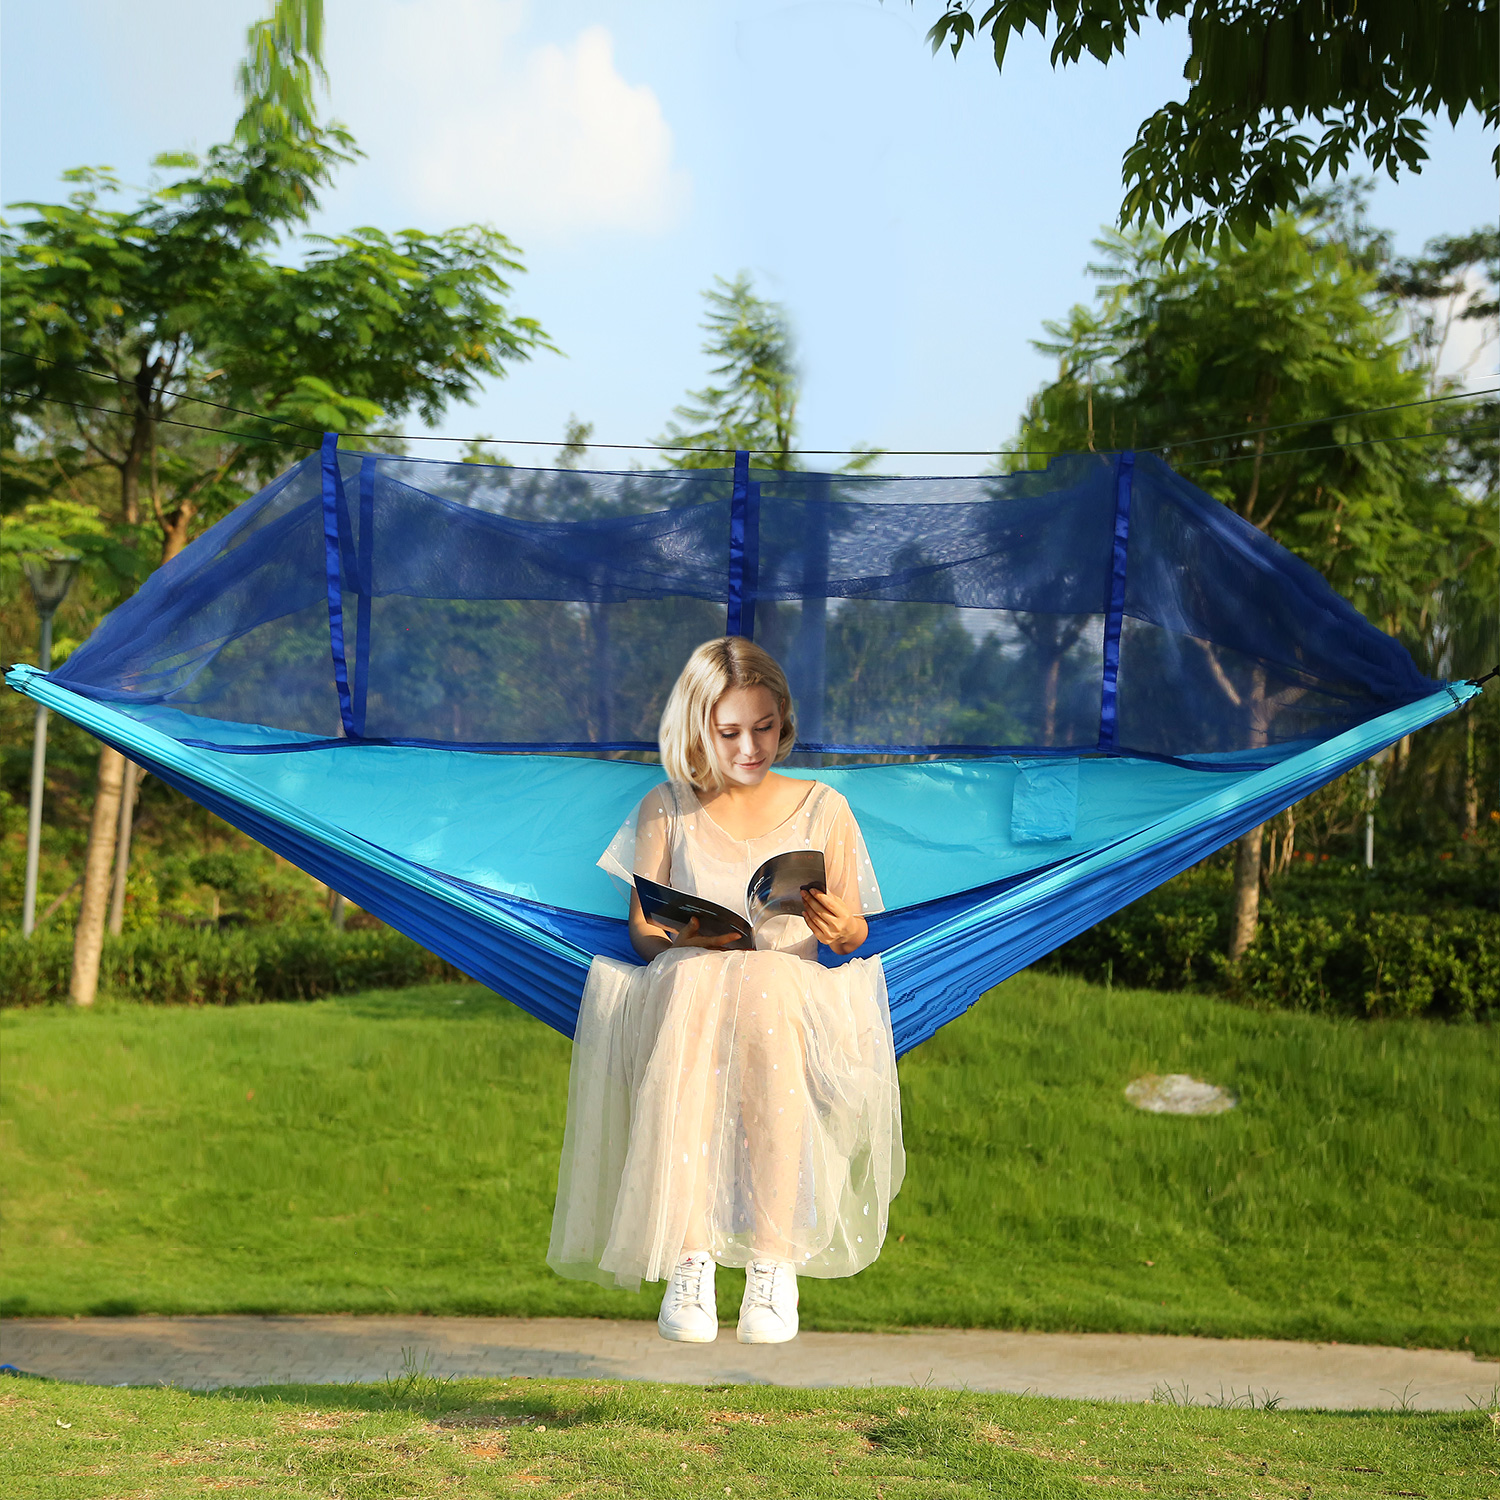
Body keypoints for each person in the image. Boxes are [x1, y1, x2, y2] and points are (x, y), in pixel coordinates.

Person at [548, 637, 904, 1344]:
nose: (749, 747)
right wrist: (680, 942)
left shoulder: (824, 808)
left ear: (784, 722)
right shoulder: (666, 807)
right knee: (694, 979)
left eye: (764, 727)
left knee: (765, 980)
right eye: (729, 731)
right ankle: (691, 1259)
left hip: (791, 1002)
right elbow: (643, 931)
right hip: (689, 997)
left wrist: (844, 929)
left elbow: (854, 930)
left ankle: (774, 1261)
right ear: (697, 729)